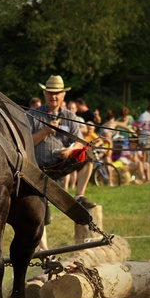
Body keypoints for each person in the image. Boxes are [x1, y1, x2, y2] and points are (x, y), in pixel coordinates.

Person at [28, 75, 96, 206]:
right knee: (39, 212)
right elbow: (26, 143)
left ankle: (80, 196)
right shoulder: (32, 114)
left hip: (61, 164)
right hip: (37, 168)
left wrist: (69, 151)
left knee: (88, 155)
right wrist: (46, 131)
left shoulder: (69, 116)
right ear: (44, 94)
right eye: (50, 93)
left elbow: (79, 142)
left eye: (57, 93)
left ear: (63, 95)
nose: (53, 97)